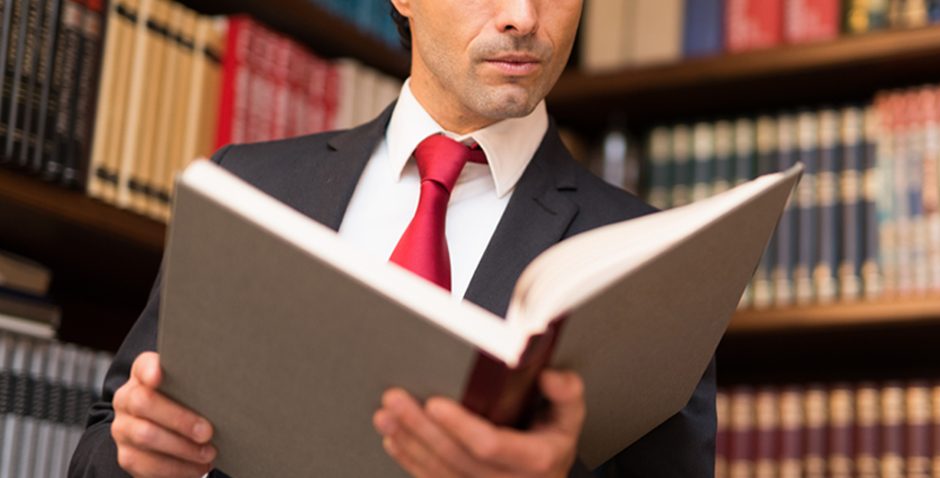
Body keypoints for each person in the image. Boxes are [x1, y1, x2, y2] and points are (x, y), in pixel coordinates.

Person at [69, 0, 717, 477]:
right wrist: (139, 456)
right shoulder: (244, 184)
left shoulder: (657, 258)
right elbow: (102, 449)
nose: (523, 16)